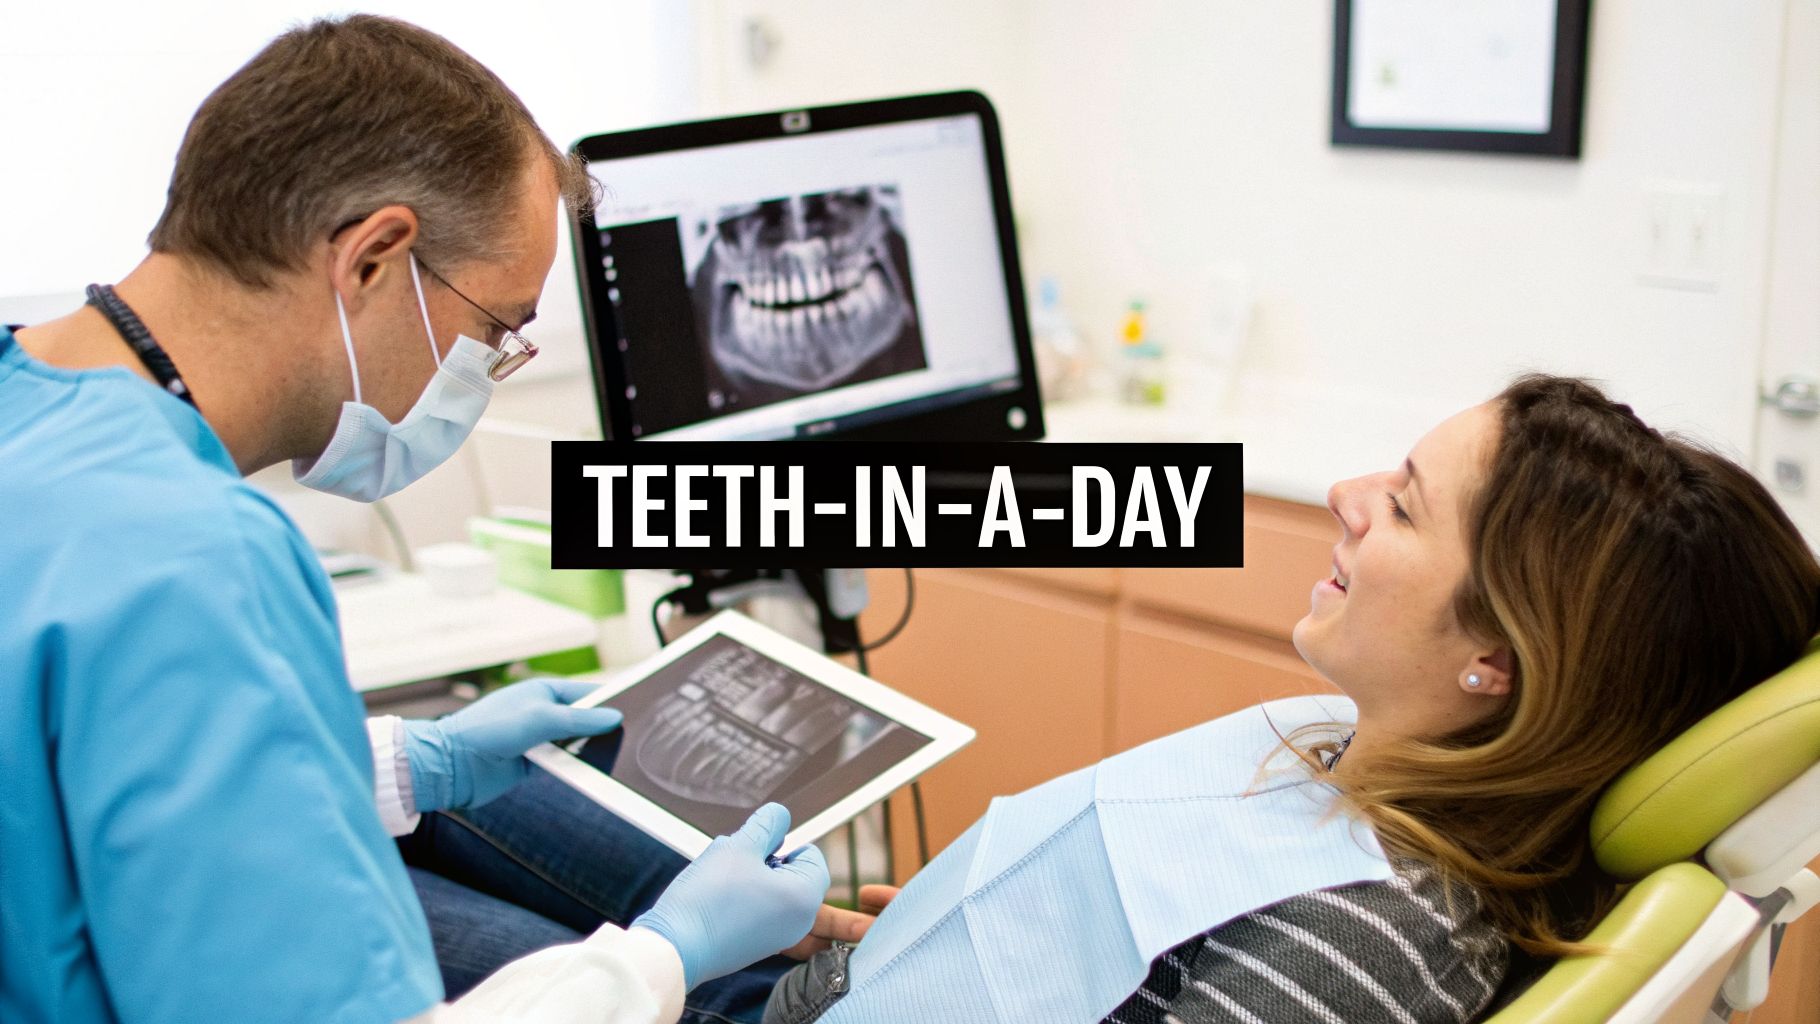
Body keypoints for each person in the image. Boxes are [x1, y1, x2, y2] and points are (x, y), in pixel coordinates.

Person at [0, 15, 881, 1024]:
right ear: (373, 258)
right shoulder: (197, 558)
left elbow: (82, 799)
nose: (485, 373)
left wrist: (404, 760)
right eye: (497, 328)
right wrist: (661, 959)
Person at [763, 373, 1820, 1024]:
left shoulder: (1375, 940)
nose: (1345, 496)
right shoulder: (1339, 756)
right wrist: (970, 939)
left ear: (1494, 658)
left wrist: (659, 966)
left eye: (1402, 508)